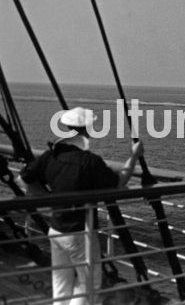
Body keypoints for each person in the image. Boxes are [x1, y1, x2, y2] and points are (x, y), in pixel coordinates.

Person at [18, 107, 144, 305]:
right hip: (80, 231)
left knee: (61, 284)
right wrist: (133, 156)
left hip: (56, 229)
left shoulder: (50, 156)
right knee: (88, 284)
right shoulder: (89, 162)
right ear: (87, 130)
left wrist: (48, 198)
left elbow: (24, 178)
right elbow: (119, 183)